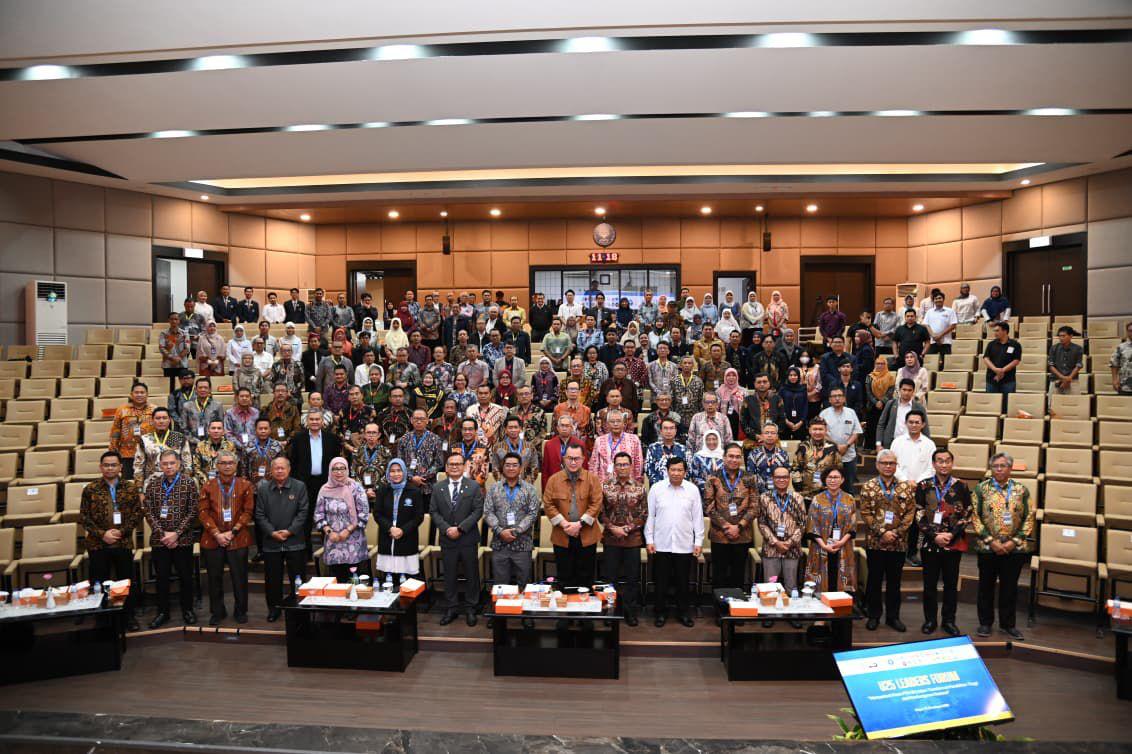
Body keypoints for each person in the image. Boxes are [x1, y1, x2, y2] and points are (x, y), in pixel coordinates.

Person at [972, 452, 1035, 641]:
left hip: (1013, 548)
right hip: (987, 547)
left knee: (1009, 588)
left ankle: (1008, 624)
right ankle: (985, 623)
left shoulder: (1021, 490)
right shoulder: (981, 489)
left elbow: (1029, 517)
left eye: (1003, 466)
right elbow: (975, 517)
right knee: (986, 587)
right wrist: (991, 541)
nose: (999, 469)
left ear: (1010, 468)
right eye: (995, 466)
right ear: (991, 468)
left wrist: (1012, 542)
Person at [80, 450, 142, 632]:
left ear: (121, 467)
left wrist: (121, 532)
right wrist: (102, 534)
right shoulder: (90, 489)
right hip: (98, 544)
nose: (110, 468)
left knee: (125, 582)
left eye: (113, 465)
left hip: (123, 543)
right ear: (101, 467)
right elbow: (84, 517)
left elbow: (137, 513)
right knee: (99, 582)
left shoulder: (130, 488)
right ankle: (103, 619)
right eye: (106, 465)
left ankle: (128, 617)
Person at [858, 449, 916, 632]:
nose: (888, 466)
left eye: (891, 463)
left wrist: (896, 533)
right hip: (876, 542)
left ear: (896, 465)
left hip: (898, 543)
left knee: (894, 582)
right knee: (874, 580)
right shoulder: (868, 486)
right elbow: (865, 512)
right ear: (877, 465)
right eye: (884, 463)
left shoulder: (906, 487)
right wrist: (882, 532)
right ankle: (874, 615)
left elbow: (910, 514)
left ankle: (893, 617)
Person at [916, 449, 971, 636]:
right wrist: (935, 536)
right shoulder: (923, 486)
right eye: (940, 461)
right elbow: (919, 514)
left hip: (953, 543)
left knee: (950, 584)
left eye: (947, 461)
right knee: (929, 585)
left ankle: (949, 621)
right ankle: (930, 620)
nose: (944, 464)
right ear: (933, 464)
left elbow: (967, 513)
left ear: (952, 463)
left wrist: (951, 535)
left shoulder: (962, 486)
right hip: (929, 543)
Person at [142, 450, 198, 629]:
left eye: (172, 463)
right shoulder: (153, 484)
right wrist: (162, 533)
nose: (168, 466)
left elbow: (193, 511)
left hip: (183, 540)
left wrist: (176, 533)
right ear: (159, 465)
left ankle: (187, 610)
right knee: (162, 578)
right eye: (165, 463)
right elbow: (148, 511)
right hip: (160, 540)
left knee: (185, 577)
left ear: (179, 464)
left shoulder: (189, 483)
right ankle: (163, 612)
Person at [197, 450, 254, 625]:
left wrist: (233, 532)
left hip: (238, 538)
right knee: (214, 578)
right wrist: (216, 533)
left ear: (236, 465)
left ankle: (240, 611)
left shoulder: (245, 485)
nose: (227, 466)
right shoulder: (208, 485)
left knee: (239, 577)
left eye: (230, 462)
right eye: (223, 463)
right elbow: (203, 512)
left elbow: (248, 511)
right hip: (213, 538)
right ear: (217, 465)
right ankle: (217, 611)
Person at [646, 457, 704, 627]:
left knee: (682, 582)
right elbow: (650, 516)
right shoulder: (657, 489)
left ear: (685, 472)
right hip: (661, 543)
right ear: (667, 470)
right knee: (661, 581)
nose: (676, 473)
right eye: (673, 469)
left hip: (684, 544)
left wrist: (698, 541)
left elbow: (697, 518)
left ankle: (683, 613)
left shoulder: (692, 490)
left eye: (680, 470)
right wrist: (649, 539)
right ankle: (660, 613)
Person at [432, 451, 485, 626]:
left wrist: (461, 528)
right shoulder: (437, 487)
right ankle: (452, 607)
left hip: (467, 538)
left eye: (458, 464)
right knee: (450, 575)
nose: (454, 467)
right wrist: (447, 529)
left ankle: (471, 608)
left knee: (471, 574)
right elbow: (433, 512)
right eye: (451, 464)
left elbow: (478, 511)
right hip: (447, 539)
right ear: (446, 468)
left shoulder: (473, 486)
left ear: (464, 467)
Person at [543, 442, 604, 588]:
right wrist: (565, 524)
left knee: (586, 578)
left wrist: (579, 524)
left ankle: (585, 610)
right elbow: (548, 504)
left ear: (583, 459)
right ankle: (566, 609)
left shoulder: (592, 479)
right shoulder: (554, 480)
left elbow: (596, 504)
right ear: (564, 459)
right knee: (565, 577)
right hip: (562, 536)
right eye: (570, 458)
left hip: (587, 536)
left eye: (577, 458)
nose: (573, 462)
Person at [600, 453, 648, 626]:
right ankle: (609, 611)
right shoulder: (605, 486)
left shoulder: (639, 487)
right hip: (611, 539)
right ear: (614, 466)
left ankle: (630, 612)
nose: (622, 467)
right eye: (618, 464)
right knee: (609, 578)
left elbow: (644, 513)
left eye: (625, 464)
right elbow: (600, 512)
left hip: (632, 539)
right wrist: (613, 528)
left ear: (631, 466)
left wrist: (626, 528)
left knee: (632, 579)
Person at [483, 452, 540, 594]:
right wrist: (499, 530)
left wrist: (516, 531)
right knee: (500, 586)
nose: (511, 468)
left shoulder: (530, 489)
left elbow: (533, 514)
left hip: (522, 543)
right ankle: (500, 616)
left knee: (524, 584)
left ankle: (524, 615)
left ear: (520, 468)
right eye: (507, 465)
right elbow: (488, 512)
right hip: (499, 543)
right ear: (502, 467)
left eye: (515, 465)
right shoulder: (494, 488)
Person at [704, 443, 758, 592]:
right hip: (720, 534)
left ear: (741, 459)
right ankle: (719, 609)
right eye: (731, 456)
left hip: (742, 534)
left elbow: (754, 506)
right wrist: (726, 526)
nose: (734, 459)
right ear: (724, 457)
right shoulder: (713, 478)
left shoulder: (749, 478)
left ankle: (736, 609)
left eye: (737, 456)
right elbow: (708, 506)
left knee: (738, 574)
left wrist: (738, 526)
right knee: (719, 575)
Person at [758, 465, 806, 619]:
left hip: (792, 550)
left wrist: (790, 543)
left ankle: (792, 615)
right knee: (770, 585)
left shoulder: (797, 498)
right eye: (778, 477)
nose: (781, 480)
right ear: (773, 479)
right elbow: (761, 523)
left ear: (789, 479)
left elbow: (803, 524)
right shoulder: (764, 497)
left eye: (785, 477)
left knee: (791, 585)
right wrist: (776, 542)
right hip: (771, 549)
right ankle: (770, 615)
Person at [289, 412, 341, 555]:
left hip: (327, 483)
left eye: (317, 419)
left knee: (328, 516)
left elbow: (337, 462)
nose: (314, 422)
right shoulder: (298, 438)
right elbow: (293, 462)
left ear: (322, 421)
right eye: (311, 419)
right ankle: (306, 553)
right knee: (305, 516)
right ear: (306, 421)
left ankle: (329, 550)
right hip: (304, 484)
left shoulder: (332, 438)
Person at [315, 456, 371, 580]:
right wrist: (329, 532)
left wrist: (348, 530)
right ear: (330, 470)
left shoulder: (356, 488)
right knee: (337, 581)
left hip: (353, 541)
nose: (339, 472)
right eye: (335, 469)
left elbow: (364, 514)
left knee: (354, 580)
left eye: (342, 468)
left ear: (347, 470)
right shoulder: (324, 489)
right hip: (333, 540)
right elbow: (319, 514)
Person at [803, 466, 857, 594]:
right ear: (825, 480)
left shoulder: (849, 499)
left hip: (842, 546)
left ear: (842, 479)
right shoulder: (817, 499)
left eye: (836, 477)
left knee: (840, 581)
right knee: (821, 582)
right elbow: (812, 526)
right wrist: (824, 545)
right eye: (830, 477)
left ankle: (840, 610)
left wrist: (841, 542)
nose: (833, 480)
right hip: (821, 546)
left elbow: (852, 526)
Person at [372, 458, 425, 588]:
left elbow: (418, 517)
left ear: (405, 472)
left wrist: (402, 530)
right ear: (388, 473)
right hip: (387, 535)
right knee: (389, 579)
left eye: (399, 471)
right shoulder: (383, 490)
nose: (396, 474)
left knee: (406, 581)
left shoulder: (414, 491)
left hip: (407, 536)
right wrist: (390, 528)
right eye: (392, 471)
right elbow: (377, 513)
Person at [819, 386, 862, 491]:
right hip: (830, 456)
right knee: (829, 487)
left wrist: (846, 445)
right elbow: (822, 433)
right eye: (834, 396)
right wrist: (837, 446)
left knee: (848, 488)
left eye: (839, 396)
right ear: (829, 399)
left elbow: (856, 431)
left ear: (844, 398)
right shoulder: (824, 414)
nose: (837, 398)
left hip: (849, 456)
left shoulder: (851, 412)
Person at [133, 407, 191, 485]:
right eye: (158, 418)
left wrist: (185, 483)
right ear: (152, 420)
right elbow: (138, 466)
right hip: (151, 483)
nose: (161, 421)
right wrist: (140, 489)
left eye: (164, 418)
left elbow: (187, 463)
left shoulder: (180, 438)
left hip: (176, 483)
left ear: (169, 420)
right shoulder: (144, 439)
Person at [109, 382, 155, 480]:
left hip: (149, 453)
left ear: (147, 394)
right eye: (136, 392)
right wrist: (112, 452)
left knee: (148, 482)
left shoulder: (154, 410)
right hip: (127, 454)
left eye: (142, 392)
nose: (139, 395)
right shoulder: (122, 410)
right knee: (129, 484)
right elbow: (115, 431)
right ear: (131, 394)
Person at [791, 417, 841, 504]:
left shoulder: (832, 447)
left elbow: (839, 469)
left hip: (827, 492)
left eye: (820, 429)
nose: (817, 432)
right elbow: (795, 468)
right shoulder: (803, 446)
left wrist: (833, 486)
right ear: (810, 430)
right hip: (805, 493)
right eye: (815, 429)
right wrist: (798, 488)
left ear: (826, 430)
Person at [875, 378, 928, 450]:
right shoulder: (890, 404)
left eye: (909, 390)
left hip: (912, 444)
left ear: (913, 391)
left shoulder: (919, 407)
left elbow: (925, 428)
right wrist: (878, 444)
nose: (906, 392)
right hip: (890, 443)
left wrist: (926, 446)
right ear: (899, 390)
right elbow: (881, 424)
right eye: (904, 389)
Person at [746, 421, 790, 494]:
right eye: (766, 433)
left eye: (773, 433)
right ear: (762, 435)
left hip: (779, 493)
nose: (770, 435)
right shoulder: (753, 454)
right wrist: (764, 492)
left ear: (777, 436)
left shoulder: (783, 455)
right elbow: (751, 475)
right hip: (758, 494)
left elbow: (786, 476)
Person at [984, 321, 1022, 394]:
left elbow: (1016, 360)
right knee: (992, 401)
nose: (995, 333)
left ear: (1005, 331)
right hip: (992, 378)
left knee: (1007, 402)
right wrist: (995, 369)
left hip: (1008, 380)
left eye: (997, 331)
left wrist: (1002, 371)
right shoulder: (991, 344)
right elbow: (986, 358)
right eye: (994, 331)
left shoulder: (1015, 344)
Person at [1048, 325, 1084, 395]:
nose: (1061, 338)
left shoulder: (1078, 348)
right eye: (1060, 336)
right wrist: (1063, 378)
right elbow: (1051, 366)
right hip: (1056, 379)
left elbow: (1078, 365)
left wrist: (1068, 379)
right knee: (1053, 404)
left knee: (1074, 404)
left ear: (1070, 336)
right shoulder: (1053, 348)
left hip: (1072, 380)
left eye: (1063, 336)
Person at [159, 312, 190, 391]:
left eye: (176, 319)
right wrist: (172, 358)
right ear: (168, 320)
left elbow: (187, 348)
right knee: (169, 388)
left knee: (183, 387)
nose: (174, 321)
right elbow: (162, 348)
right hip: (168, 364)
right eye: (172, 319)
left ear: (179, 321)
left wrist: (179, 358)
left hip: (182, 364)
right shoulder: (164, 334)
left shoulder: (184, 333)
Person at [778, 367, 808, 440]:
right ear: (787, 376)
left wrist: (801, 422)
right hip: (785, 421)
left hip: (800, 422)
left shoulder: (803, 389)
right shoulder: (783, 389)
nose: (793, 377)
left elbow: (805, 406)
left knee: (800, 444)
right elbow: (779, 406)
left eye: (795, 375)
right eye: (790, 375)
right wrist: (786, 421)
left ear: (798, 376)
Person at [1111, 321, 1132, 395]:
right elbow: (1114, 364)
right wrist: (1114, 380)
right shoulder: (1121, 347)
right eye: (1130, 331)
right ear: (1127, 332)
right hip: (1125, 385)